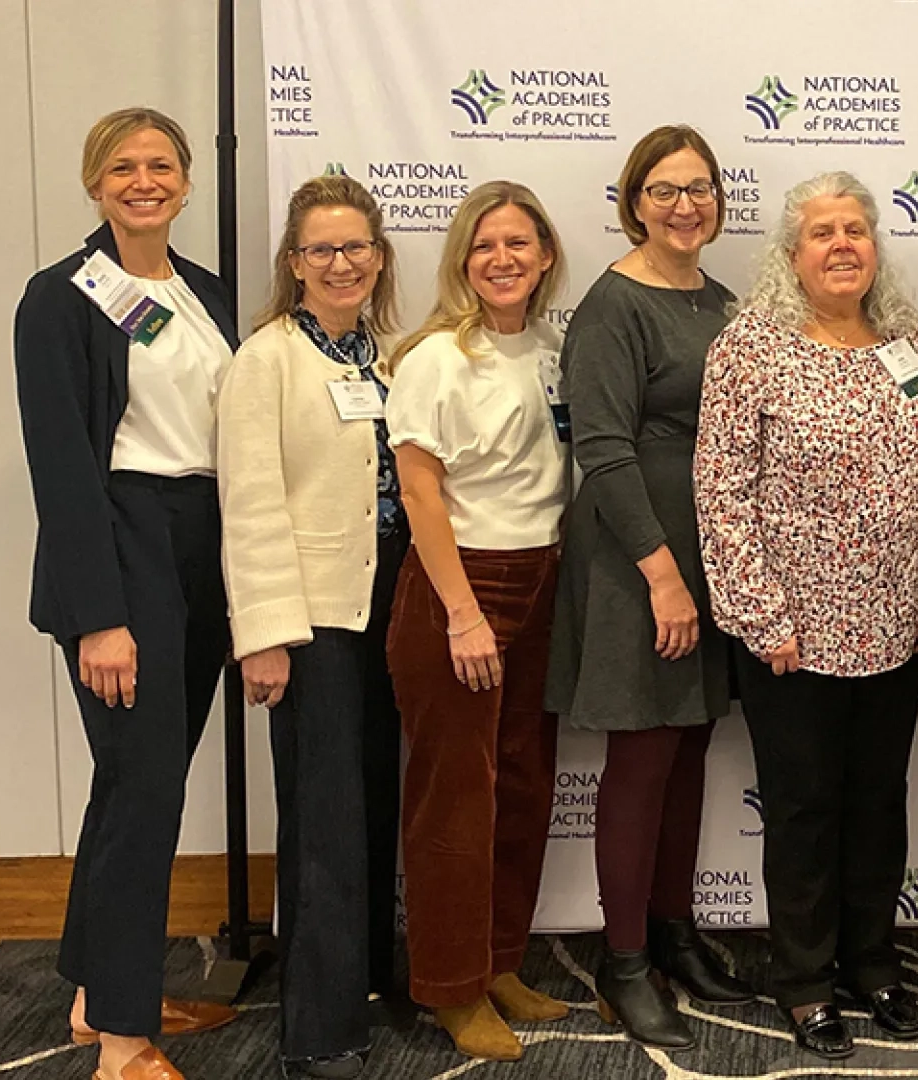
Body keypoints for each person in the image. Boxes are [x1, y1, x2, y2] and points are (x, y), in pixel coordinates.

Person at [694, 171, 918, 1060]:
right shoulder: (751, 348)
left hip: (894, 621)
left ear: (876, 246)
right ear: (791, 255)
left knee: (879, 802)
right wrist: (760, 613)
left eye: (856, 229)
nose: (842, 245)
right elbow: (719, 491)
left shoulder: (908, 340)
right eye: (821, 233)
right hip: (792, 629)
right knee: (803, 810)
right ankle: (806, 981)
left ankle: (872, 963)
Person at [13, 107, 240, 1080]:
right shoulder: (59, 298)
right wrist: (100, 616)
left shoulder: (206, 294)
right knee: (145, 791)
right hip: (119, 545)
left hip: (203, 546)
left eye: (160, 165)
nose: (142, 179)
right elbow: (62, 467)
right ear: (92, 183)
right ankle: (122, 1040)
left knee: (135, 787)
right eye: (121, 166)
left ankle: (92, 992)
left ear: (186, 183)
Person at [546, 125, 751, 1048]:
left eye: (700, 188)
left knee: (690, 746)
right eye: (664, 190)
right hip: (640, 562)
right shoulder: (611, 307)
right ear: (634, 203)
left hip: (713, 553)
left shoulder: (721, 300)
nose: (684, 205)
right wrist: (664, 577)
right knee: (638, 759)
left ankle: (673, 932)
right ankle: (622, 961)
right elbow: (603, 450)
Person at [216, 174, 406, 1078]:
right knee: (322, 820)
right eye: (321, 250)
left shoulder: (390, 356)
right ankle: (320, 1025)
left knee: (376, 801)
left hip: (391, 608)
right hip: (314, 621)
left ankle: (371, 975)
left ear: (379, 257)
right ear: (295, 265)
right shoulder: (267, 361)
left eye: (356, 247)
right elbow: (249, 505)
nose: (341, 264)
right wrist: (263, 633)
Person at [383, 181, 571, 1061]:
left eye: (519, 245)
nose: (502, 260)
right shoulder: (432, 358)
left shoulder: (553, 347)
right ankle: (450, 990)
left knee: (524, 786)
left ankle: (499, 963)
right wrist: (461, 615)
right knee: (454, 801)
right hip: (461, 587)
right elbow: (419, 489)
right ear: (463, 260)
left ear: (544, 258)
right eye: (485, 245)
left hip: (544, 581)